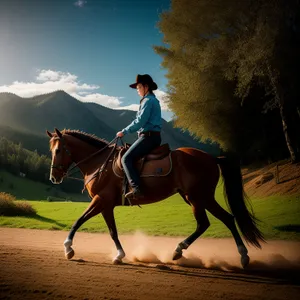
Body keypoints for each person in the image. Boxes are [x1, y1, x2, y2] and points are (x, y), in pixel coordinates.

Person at [116, 74, 162, 199]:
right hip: (152, 136)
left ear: (146, 87)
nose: (137, 90)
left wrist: (124, 131)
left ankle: (136, 188)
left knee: (125, 158)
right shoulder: (153, 100)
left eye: (139, 87)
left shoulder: (148, 101)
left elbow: (140, 121)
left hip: (148, 137)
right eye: (137, 88)